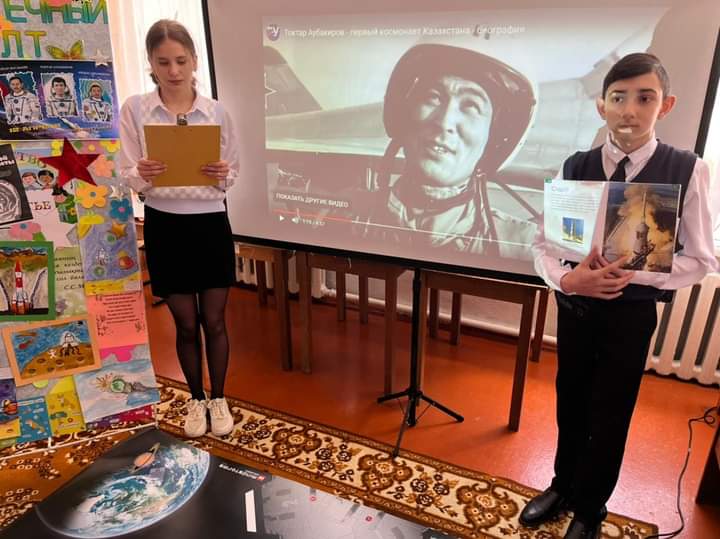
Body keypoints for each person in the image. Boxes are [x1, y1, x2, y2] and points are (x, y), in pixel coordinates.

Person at [524, 53, 718, 539]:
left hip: (629, 317)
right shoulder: (576, 165)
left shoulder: (687, 169)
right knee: (570, 401)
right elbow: (543, 244)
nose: (630, 110)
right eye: (618, 98)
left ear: (665, 105)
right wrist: (567, 281)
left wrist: (637, 275)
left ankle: (591, 507)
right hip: (574, 308)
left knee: (611, 412)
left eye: (645, 98)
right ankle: (562, 486)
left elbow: (701, 258)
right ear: (601, 106)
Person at [118, 19, 238, 439]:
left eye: (181, 61)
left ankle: (219, 398)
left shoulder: (216, 111)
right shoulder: (135, 109)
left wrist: (222, 173)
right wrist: (142, 173)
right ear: (151, 63)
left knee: (215, 322)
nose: (173, 70)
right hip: (165, 225)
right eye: (163, 61)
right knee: (185, 324)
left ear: (194, 61)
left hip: (211, 224)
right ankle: (196, 399)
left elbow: (232, 173)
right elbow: (126, 171)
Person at [361, 44, 538, 259]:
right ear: (404, 116)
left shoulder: (526, 250)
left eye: (471, 106)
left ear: (495, 139)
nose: (444, 122)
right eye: (433, 97)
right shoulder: (341, 216)